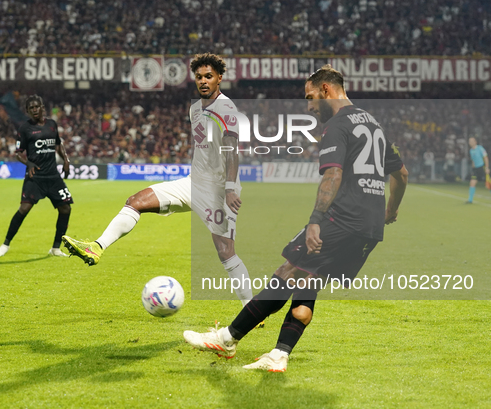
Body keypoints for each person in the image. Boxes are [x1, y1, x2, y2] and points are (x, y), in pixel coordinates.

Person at [183, 65, 409, 372]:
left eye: (311, 98)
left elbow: (333, 173)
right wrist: (390, 210)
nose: (310, 107)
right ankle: (279, 354)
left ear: (326, 90)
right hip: (368, 229)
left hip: (340, 220)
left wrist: (316, 219)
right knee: (308, 282)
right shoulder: (373, 124)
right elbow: (401, 173)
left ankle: (227, 338)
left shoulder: (338, 125)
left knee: (288, 272)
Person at [62, 53, 254, 306]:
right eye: (199, 77)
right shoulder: (195, 109)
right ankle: (97, 247)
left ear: (219, 78)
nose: (203, 81)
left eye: (209, 76)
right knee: (136, 200)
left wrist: (230, 188)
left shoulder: (226, 108)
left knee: (225, 251)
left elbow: (231, 148)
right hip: (193, 183)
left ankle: (250, 307)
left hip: (219, 191)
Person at [0, 95, 72, 258]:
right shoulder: (25, 128)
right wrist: (28, 163)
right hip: (35, 176)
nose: (35, 110)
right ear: (28, 111)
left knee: (65, 208)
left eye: (37, 107)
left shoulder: (51, 125)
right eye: (31, 108)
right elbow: (18, 153)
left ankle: (56, 248)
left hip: (53, 176)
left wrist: (66, 159)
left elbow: (58, 143)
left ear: (42, 108)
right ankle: (5, 244)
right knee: (24, 208)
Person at [465, 137, 489, 204]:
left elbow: (486, 157)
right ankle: (470, 200)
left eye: (471, 141)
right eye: (469, 141)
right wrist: (473, 169)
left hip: (482, 168)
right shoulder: (471, 151)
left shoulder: (480, 148)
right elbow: (473, 161)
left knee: (488, 184)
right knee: (472, 182)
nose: (470, 142)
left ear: (475, 142)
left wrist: (487, 168)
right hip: (475, 169)